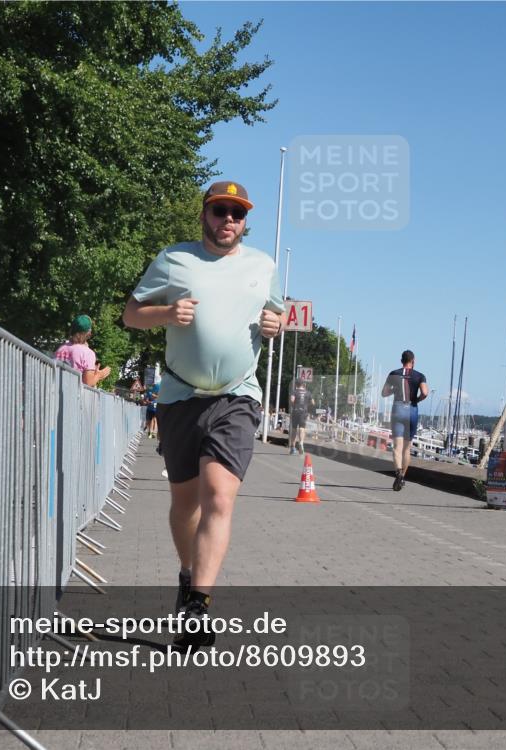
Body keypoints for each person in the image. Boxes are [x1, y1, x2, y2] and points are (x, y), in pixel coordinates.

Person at [122, 180, 284, 647]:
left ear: (245, 220)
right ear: (204, 215)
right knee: (184, 505)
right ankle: (188, 572)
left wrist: (276, 325)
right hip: (178, 397)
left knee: (219, 496)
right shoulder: (175, 258)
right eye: (219, 211)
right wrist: (168, 313)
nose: (228, 221)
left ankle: (199, 606)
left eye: (237, 213)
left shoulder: (262, 265)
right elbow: (132, 314)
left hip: (237, 396)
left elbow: (276, 315)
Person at [381, 350, 428, 491]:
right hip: (411, 410)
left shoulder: (393, 373)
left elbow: (384, 393)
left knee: (397, 447)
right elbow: (425, 392)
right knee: (407, 449)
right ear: (413, 361)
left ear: (401, 361)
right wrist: (417, 400)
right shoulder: (420, 376)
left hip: (398, 408)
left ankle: (398, 475)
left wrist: (394, 389)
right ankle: (403, 476)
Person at [54, 315, 112, 387]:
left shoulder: (61, 349)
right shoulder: (87, 353)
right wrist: (99, 375)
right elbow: (88, 383)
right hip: (74, 395)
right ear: (89, 334)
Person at [288, 381, 312, 455]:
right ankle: (301, 443)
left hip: (295, 411)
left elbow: (292, 400)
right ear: (304, 385)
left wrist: (293, 406)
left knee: (294, 429)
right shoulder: (308, 393)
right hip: (304, 412)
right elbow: (313, 402)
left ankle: (292, 448)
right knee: (302, 428)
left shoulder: (294, 391)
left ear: (296, 385)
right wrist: (307, 405)